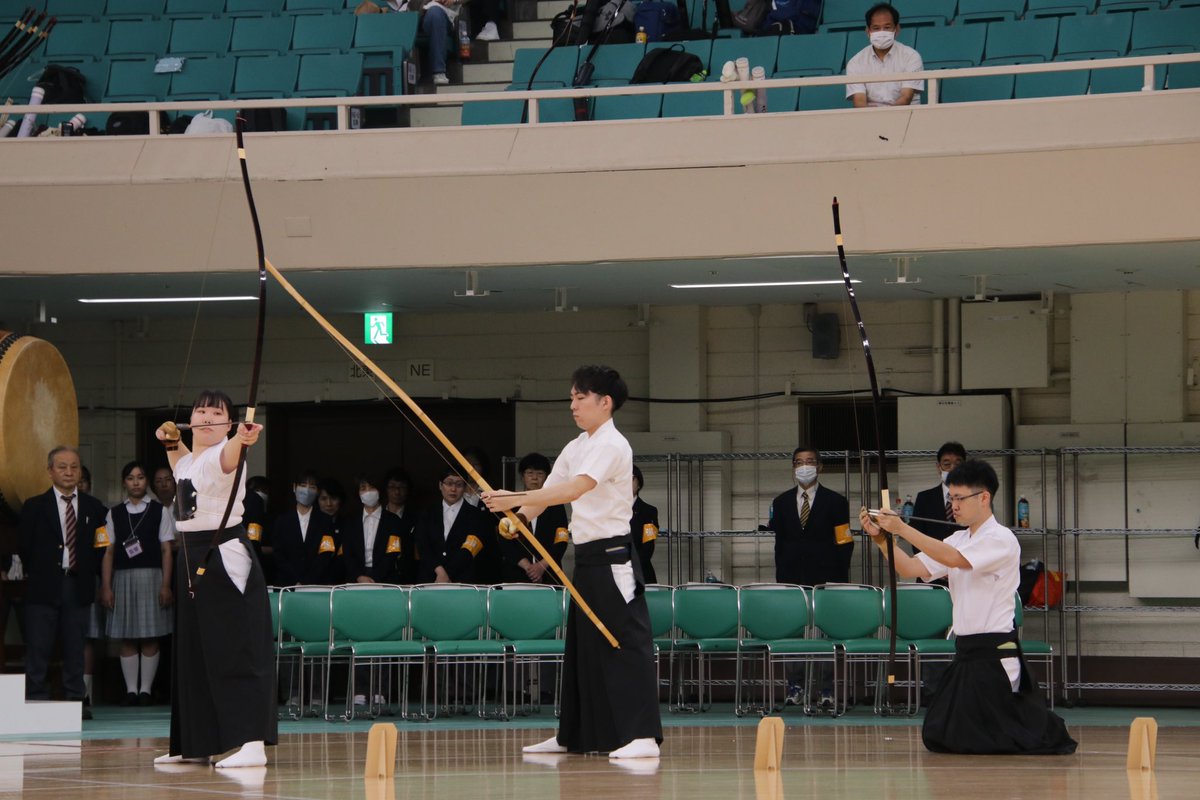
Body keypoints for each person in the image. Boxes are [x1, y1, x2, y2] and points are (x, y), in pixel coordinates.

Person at [484, 365, 662, 760]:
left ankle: (643, 736)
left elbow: (579, 487)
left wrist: (512, 498)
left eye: (580, 398)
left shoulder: (613, 445)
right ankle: (573, 735)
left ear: (605, 402)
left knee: (625, 643)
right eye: (571, 397)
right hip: (586, 560)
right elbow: (547, 494)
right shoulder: (576, 445)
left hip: (614, 558)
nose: (573, 405)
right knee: (582, 647)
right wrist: (520, 518)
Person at [860, 459, 1077, 755]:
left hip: (995, 658)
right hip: (965, 654)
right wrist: (881, 539)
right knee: (940, 734)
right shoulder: (959, 538)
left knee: (998, 738)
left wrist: (902, 528)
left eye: (960, 498)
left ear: (984, 497)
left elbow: (953, 559)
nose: (954, 506)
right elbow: (911, 568)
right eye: (952, 498)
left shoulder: (1001, 539)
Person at [153, 389, 276, 768]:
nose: (206, 417)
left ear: (228, 422)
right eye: (200, 411)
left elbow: (230, 456)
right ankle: (197, 742)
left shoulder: (224, 453)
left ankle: (251, 742)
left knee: (234, 645)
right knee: (194, 649)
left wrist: (243, 437)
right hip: (191, 553)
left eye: (216, 413)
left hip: (223, 554)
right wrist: (171, 440)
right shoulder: (190, 460)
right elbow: (180, 463)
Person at [18, 446, 108, 719]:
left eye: (74, 467)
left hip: (77, 584)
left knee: (74, 645)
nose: (69, 472)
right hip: (43, 585)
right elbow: (25, 547)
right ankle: (35, 700)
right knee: (39, 645)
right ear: (50, 471)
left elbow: (100, 547)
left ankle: (74, 701)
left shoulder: (95, 507)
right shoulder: (34, 506)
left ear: (80, 471)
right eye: (62, 467)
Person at [765, 445, 852, 708]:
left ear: (820, 466)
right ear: (793, 467)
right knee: (794, 633)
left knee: (825, 634)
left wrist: (838, 579)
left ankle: (826, 688)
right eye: (799, 462)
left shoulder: (837, 502)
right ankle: (795, 686)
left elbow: (844, 541)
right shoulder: (780, 503)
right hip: (791, 579)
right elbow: (780, 544)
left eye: (810, 461)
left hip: (827, 578)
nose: (804, 467)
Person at [99, 461, 175, 706]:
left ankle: (146, 691)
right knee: (127, 636)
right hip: (122, 577)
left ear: (146, 482)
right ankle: (131, 691)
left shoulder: (158, 511)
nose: (136, 482)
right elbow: (108, 552)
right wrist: (107, 586)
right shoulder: (114, 513)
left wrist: (166, 585)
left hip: (152, 576)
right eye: (131, 478)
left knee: (151, 636)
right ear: (124, 482)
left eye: (140, 477)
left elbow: (166, 550)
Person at [500, 453, 569, 585]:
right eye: (530, 473)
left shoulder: (556, 504)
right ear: (522, 476)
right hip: (516, 574)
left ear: (547, 477)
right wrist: (528, 567)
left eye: (540, 474)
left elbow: (561, 539)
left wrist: (541, 566)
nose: (534, 478)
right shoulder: (511, 503)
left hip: (549, 574)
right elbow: (504, 540)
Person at [414, 467, 488, 584]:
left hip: (462, 580)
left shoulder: (475, 515)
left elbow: (470, 548)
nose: (453, 489)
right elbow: (423, 545)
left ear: (465, 487)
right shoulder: (427, 512)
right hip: (430, 578)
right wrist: (439, 571)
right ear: (440, 485)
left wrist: (446, 574)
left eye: (459, 484)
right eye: (449, 483)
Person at [845, 3, 924, 108]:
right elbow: (859, 102)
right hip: (870, 119)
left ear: (897, 29)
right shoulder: (855, 62)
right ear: (868, 31)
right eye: (876, 28)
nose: (881, 32)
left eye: (887, 27)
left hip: (906, 116)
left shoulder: (911, 57)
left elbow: (906, 97)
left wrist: (886, 117)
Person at [271, 469, 341, 587]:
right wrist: (295, 580)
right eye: (303, 485)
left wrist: (307, 581)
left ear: (317, 491)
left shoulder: (325, 520)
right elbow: (278, 554)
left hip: (316, 584)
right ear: (294, 487)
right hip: (287, 585)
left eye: (312, 487)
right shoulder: (282, 520)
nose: (307, 490)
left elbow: (326, 552)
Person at [343, 476, 415, 585]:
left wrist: (375, 578)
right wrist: (359, 576)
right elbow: (347, 553)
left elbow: (393, 552)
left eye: (371, 488)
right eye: (363, 488)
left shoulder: (393, 520)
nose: (367, 492)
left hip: (385, 579)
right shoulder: (350, 521)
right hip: (356, 579)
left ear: (379, 491)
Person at [910, 442, 967, 542]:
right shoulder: (924, 498)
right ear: (938, 467)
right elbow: (916, 535)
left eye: (958, 464)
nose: (952, 469)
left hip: (966, 556)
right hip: (930, 556)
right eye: (947, 464)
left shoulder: (973, 497)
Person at [630, 465, 659, 585]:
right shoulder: (609, 510)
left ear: (639, 484)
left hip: (641, 574)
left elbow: (648, 547)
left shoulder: (648, 511)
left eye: (630, 478)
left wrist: (629, 568)